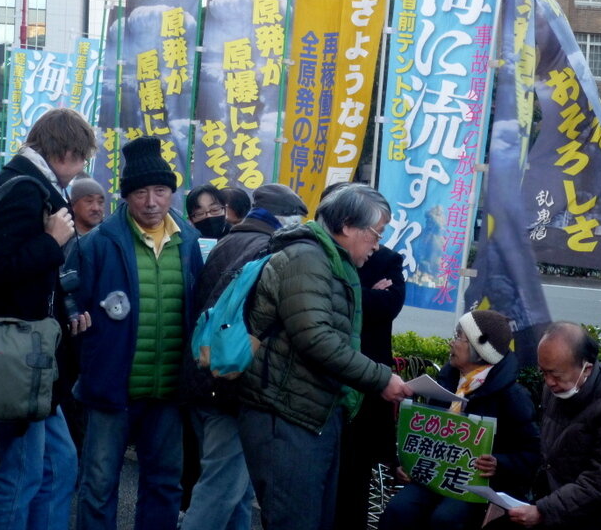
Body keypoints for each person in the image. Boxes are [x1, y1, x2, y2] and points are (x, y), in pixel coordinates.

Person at [237, 182, 413, 530]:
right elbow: (315, 338)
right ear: (347, 225)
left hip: (311, 411)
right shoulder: (307, 258)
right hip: (285, 413)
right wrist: (382, 378)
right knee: (295, 520)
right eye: (375, 233)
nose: (377, 245)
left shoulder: (330, 260)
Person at [0, 107, 96, 529]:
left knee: (59, 464)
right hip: (18, 357)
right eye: (82, 158)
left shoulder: (24, 184)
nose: (81, 169)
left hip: (29, 354)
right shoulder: (24, 189)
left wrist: (67, 311)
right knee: (23, 472)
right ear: (66, 151)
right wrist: (52, 242)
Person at [73, 136, 203, 530]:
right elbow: (72, 302)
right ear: (126, 196)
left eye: (160, 191)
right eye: (141, 192)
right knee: (98, 484)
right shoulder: (98, 243)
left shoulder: (188, 240)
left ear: (171, 193)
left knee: (164, 484)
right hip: (111, 387)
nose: (151, 202)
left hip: (168, 389)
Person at [180, 182, 308, 530]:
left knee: (236, 492)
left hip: (201, 373)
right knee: (219, 490)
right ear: (285, 219)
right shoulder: (270, 250)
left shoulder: (228, 241)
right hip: (233, 384)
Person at [379, 310, 540, 530]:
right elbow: (425, 437)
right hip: (434, 475)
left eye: (458, 337)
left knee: (446, 519)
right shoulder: (446, 380)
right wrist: (407, 465)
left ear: (479, 349)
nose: (451, 343)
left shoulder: (512, 396)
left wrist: (499, 463)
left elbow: (531, 454)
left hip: (475, 485)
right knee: (398, 510)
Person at [508, 321, 601, 529]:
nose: (549, 382)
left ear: (586, 368)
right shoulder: (560, 387)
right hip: (561, 504)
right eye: (543, 372)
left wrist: (544, 511)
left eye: (555, 375)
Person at [335, 237, 406, 529]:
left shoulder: (388, 260)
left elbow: (389, 305)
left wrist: (351, 296)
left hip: (368, 383)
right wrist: (366, 293)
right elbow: (326, 300)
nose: (375, 241)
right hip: (330, 379)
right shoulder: (326, 254)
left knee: (356, 474)